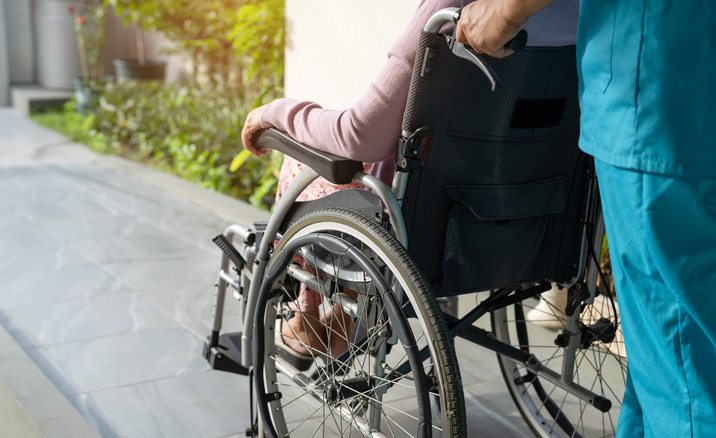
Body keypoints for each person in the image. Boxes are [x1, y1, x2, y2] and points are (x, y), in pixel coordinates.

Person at [240, 0, 579, 360]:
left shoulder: (454, 9)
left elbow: (359, 135)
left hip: (425, 233)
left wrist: (273, 113)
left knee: (300, 161)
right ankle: (341, 312)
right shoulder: (586, 13)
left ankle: (304, 316)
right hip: (532, 225)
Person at [457, 0, 716, 436]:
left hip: (659, 93)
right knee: (670, 360)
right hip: (681, 86)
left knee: (684, 373)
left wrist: (504, 11)